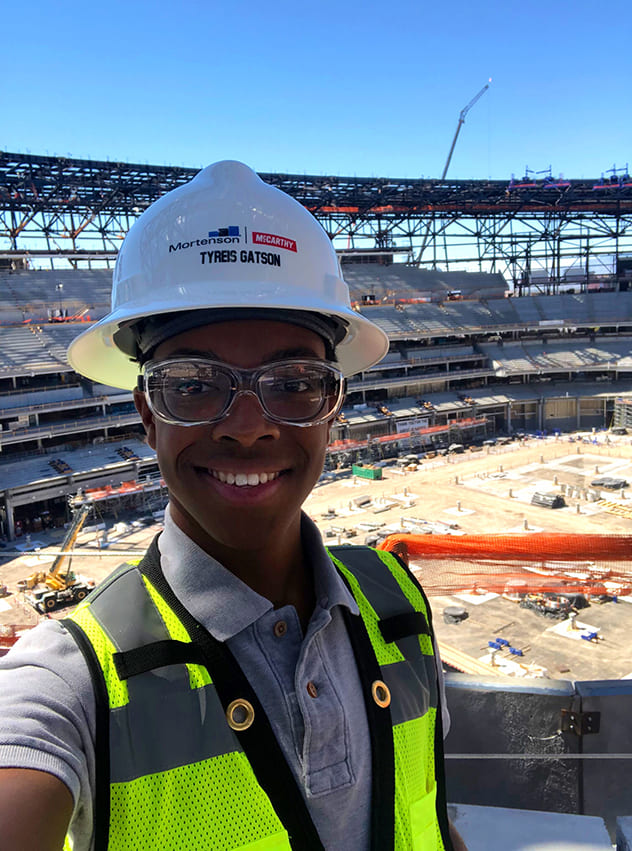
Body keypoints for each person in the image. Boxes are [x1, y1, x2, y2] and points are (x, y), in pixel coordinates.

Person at [0, 160, 467, 850]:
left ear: (333, 406)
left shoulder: (398, 604)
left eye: (295, 381)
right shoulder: (73, 683)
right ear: (147, 413)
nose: (248, 425)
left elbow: (431, 824)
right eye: (192, 383)